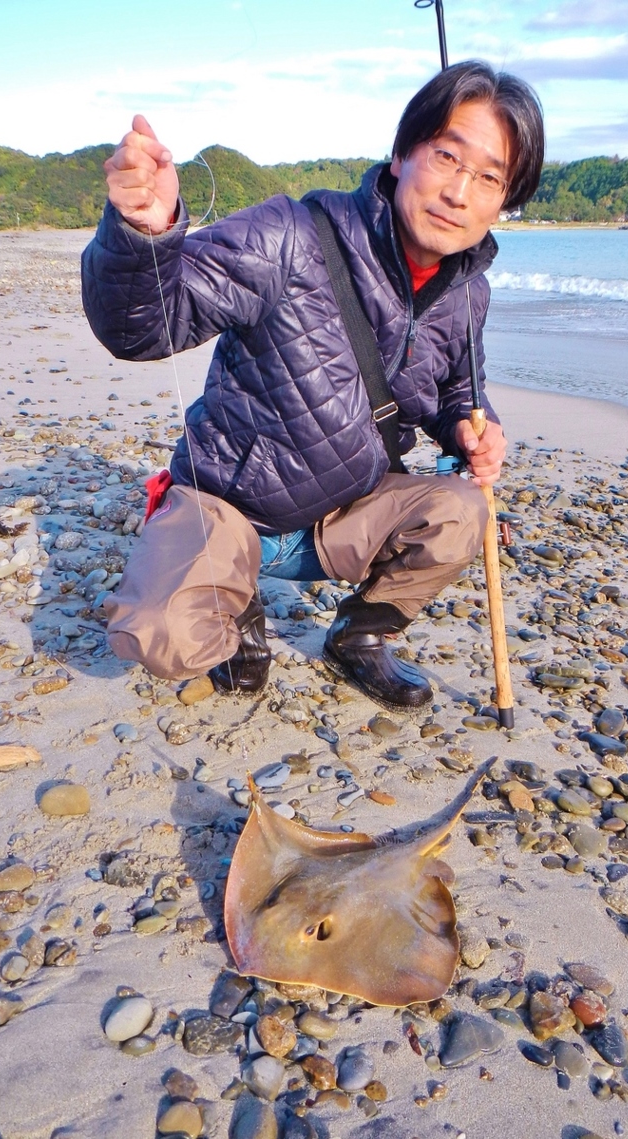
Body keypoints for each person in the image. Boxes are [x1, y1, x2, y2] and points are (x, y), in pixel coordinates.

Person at [81, 60, 544, 710]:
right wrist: (145, 233)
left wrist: (477, 426)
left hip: (345, 518)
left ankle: (359, 636)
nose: (459, 193)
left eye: (490, 177)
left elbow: (457, 395)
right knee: (162, 636)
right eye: (446, 156)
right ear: (402, 154)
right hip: (231, 513)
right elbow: (140, 328)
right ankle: (234, 605)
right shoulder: (289, 235)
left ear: (505, 200)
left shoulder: (469, 295)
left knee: (464, 511)